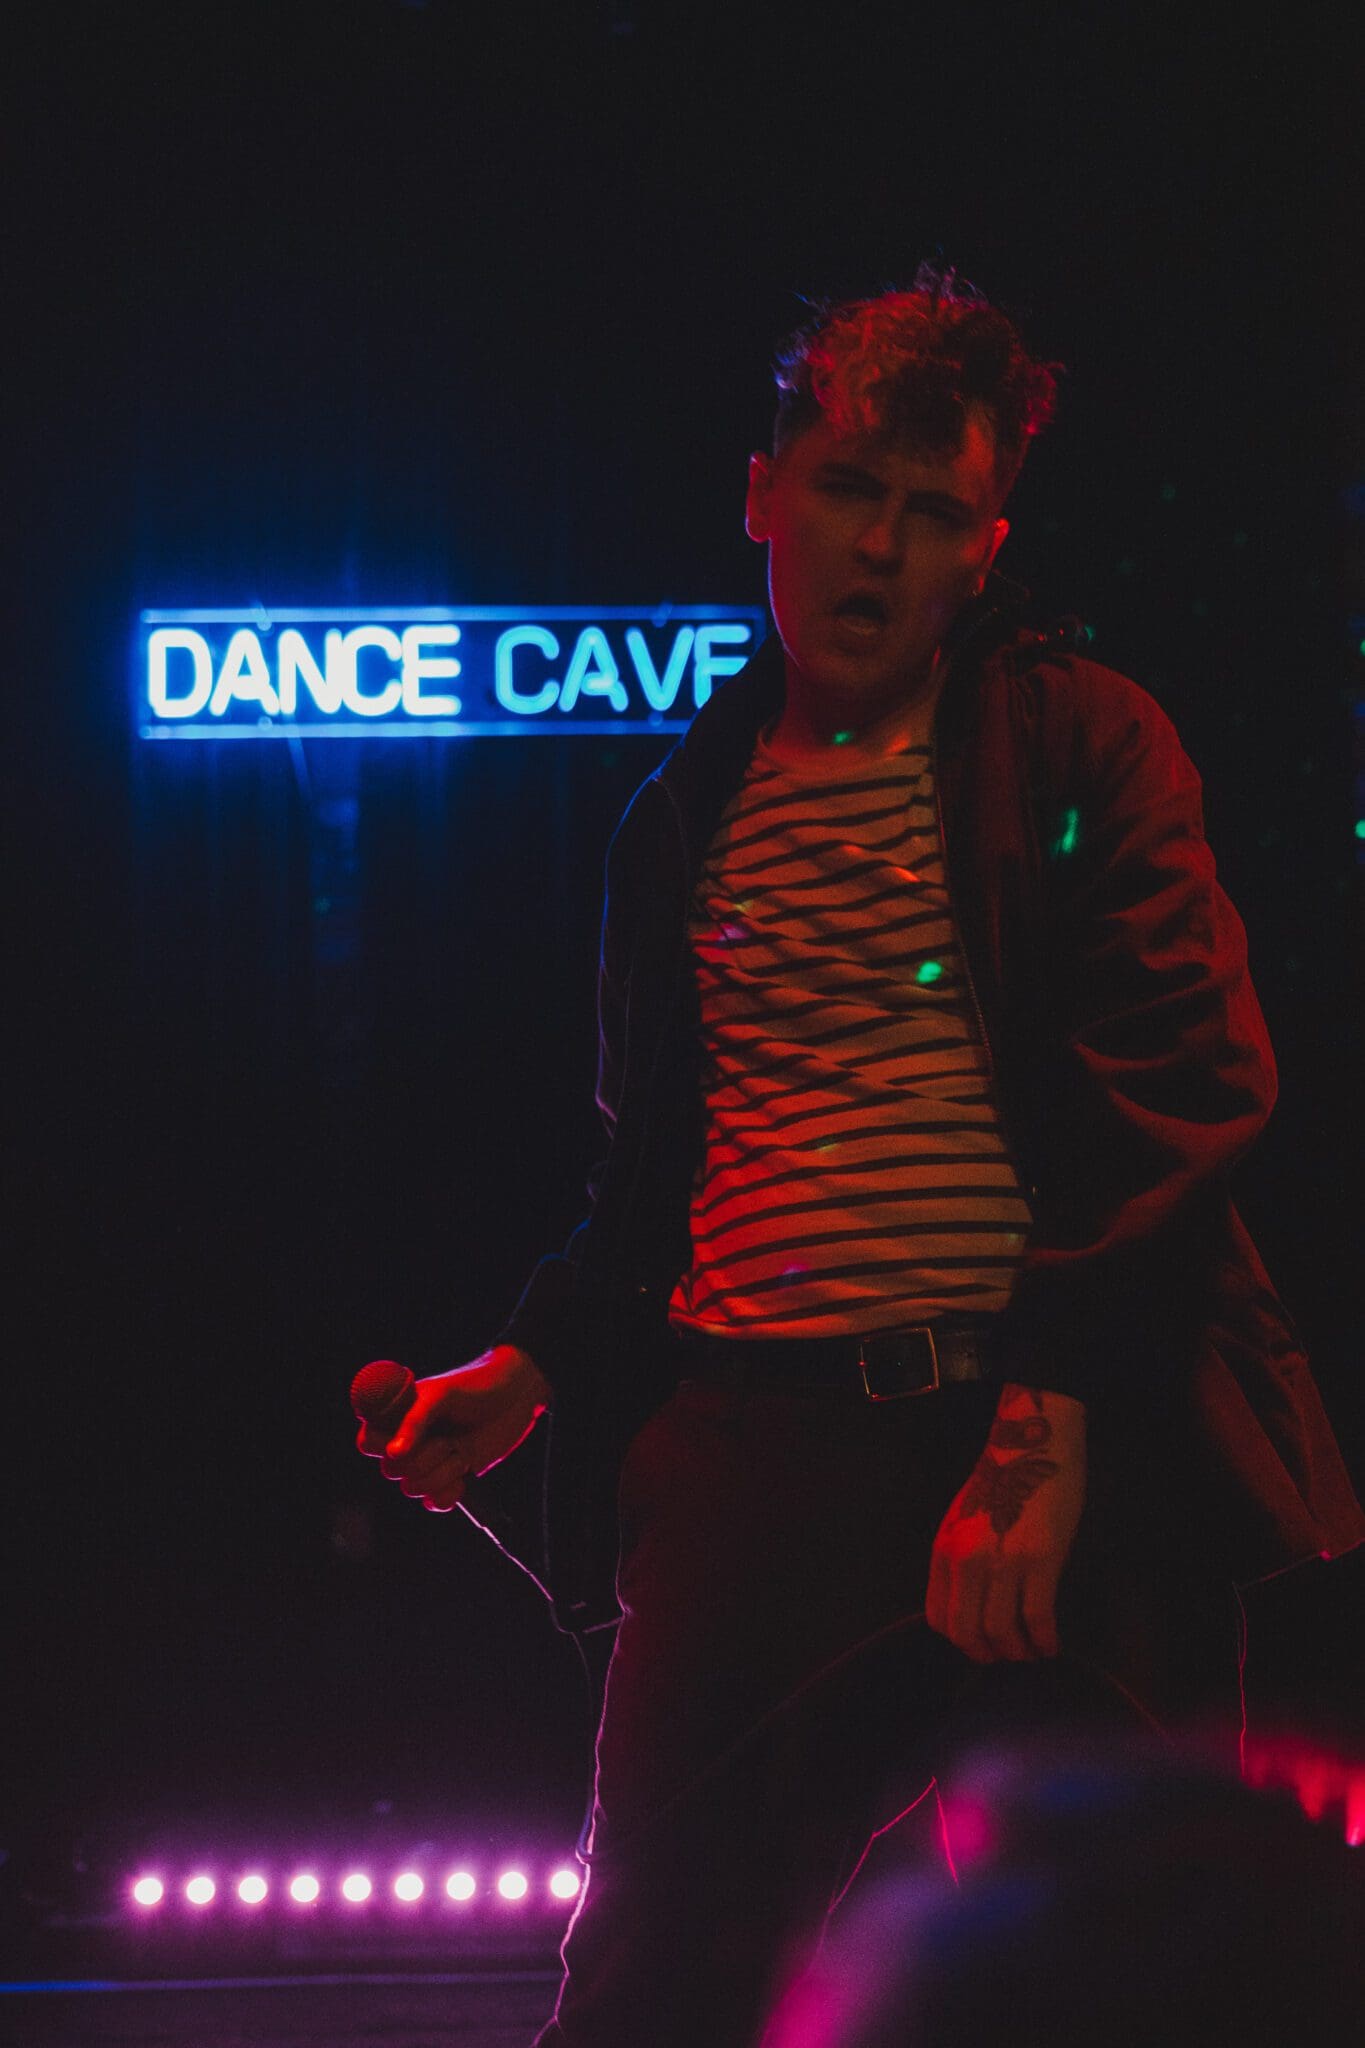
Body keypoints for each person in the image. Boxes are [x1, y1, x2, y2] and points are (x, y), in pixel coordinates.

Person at [356, 265, 1363, 2046]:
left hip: (1052, 1442)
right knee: (656, 1990)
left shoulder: (1075, 739)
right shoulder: (682, 816)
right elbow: (650, 1180)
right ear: (762, 493)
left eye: (932, 512)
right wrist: (525, 1369)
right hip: (764, 1456)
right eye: (844, 490)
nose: (881, 548)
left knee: (1134, 1983)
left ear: (986, 545)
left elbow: (1178, 1089)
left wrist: (1042, 1427)